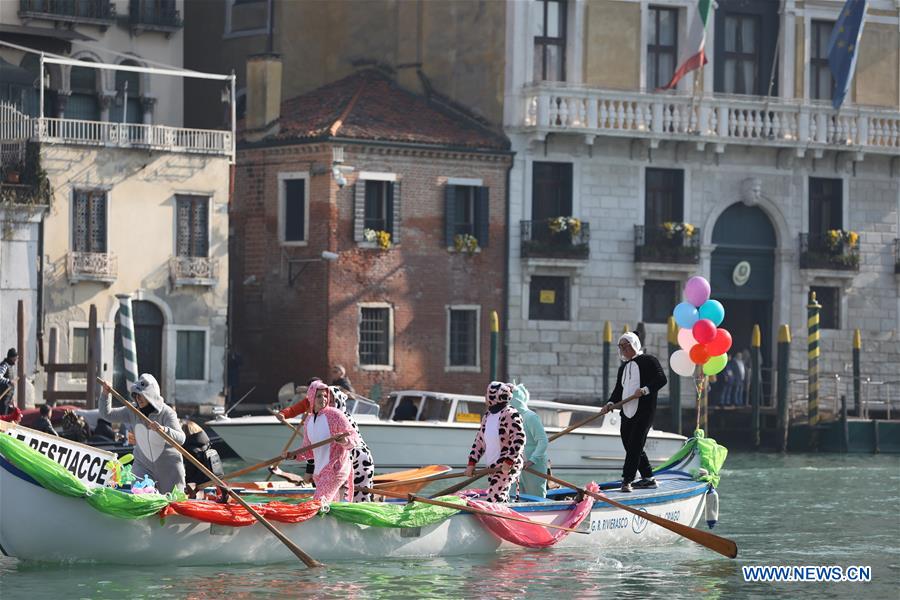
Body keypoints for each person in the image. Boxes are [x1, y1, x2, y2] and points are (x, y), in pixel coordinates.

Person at [99, 374, 186, 494]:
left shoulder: (167, 413)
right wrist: (105, 394)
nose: (138, 399)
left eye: (141, 395)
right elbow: (106, 415)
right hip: (142, 465)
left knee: (172, 504)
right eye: (135, 395)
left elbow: (181, 439)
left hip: (168, 468)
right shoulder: (132, 410)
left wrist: (164, 430)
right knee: (140, 497)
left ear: (151, 395)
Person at [606, 332, 667, 493]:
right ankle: (648, 478)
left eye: (627, 346)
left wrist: (645, 390)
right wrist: (610, 403)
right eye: (621, 346)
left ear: (635, 344)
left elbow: (661, 379)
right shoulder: (623, 367)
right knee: (629, 443)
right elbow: (619, 389)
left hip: (644, 410)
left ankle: (627, 480)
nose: (624, 349)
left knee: (635, 444)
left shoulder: (649, 360)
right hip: (626, 411)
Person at [284, 381, 359, 502]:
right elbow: (308, 451)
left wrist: (344, 440)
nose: (323, 399)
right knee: (331, 507)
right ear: (311, 397)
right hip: (319, 473)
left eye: (325, 396)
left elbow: (355, 439)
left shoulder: (335, 415)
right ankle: (334, 521)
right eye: (319, 396)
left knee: (318, 503)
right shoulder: (308, 420)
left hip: (335, 469)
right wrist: (293, 455)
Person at [464, 381, 526, 503]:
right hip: (493, 466)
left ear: (494, 397)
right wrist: (471, 464)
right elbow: (479, 442)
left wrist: (508, 462)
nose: (485, 398)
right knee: (499, 496)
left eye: (487, 395)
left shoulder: (510, 414)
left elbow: (519, 437)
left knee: (494, 499)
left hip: (507, 466)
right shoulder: (487, 416)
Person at [329, 386, 375, 501]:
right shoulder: (324, 419)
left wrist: (344, 441)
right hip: (342, 463)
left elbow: (352, 444)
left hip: (358, 463)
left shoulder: (344, 418)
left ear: (338, 401)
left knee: (359, 501)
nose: (327, 402)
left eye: (331, 400)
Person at [510, 384, 548, 499]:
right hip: (517, 466)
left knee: (536, 496)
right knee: (514, 495)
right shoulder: (511, 418)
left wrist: (532, 460)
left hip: (534, 466)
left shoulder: (531, 417)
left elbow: (543, 441)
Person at [181, 420, 222, 486]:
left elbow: (189, 472)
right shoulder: (207, 445)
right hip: (213, 481)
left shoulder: (189, 450)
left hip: (196, 484)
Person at [0, 348, 18, 416]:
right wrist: (9, 381)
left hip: (7, 400)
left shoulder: (10, 366)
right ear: (12, 357)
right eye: (16, 357)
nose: (16, 359)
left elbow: (10, 387)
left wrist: (13, 400)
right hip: (2, 399)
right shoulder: (4, 365)